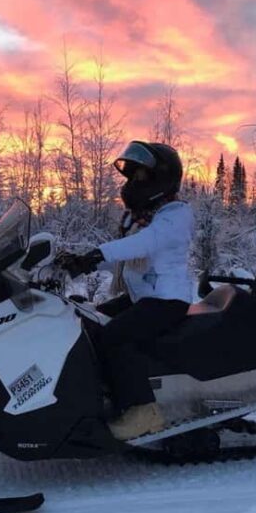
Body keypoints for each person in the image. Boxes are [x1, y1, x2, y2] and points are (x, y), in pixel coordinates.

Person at [56, 141, 195, 440]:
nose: (133, 183)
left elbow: (145, 245)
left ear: (161, 179)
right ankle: (101, 396)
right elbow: (129, 261)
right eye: (131, 177)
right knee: (87, 324)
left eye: (141, 176)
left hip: (168, 301)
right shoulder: (144, 217)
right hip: (143, 297)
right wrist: (78, 262)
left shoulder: (175, 216)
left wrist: (96, 254)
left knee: (115, 338)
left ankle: (143, 411)